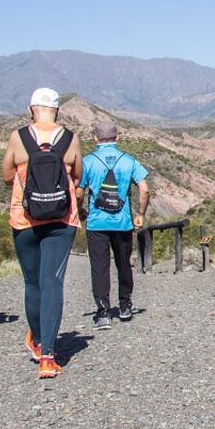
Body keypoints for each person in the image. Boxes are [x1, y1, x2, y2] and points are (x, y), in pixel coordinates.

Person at [2, 88, 82, 379]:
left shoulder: (18, 137)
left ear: (31, 108)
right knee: (53, 282)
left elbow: (7, 175)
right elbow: (77, 176)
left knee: (33, 283)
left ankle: (36, 340)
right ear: (57, 110)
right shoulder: (70, 139)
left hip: (24, 219)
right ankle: (49, 356)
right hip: (62, 219)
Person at [76, 120, 150, 330]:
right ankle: (125, 305)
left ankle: (103, 312)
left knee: (100, 267)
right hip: (123, 222)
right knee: (123, 263)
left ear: (94, 138)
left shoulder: (88, 162)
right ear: (117, 138)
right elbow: (144, 190)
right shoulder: (129, 161)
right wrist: (141, 214)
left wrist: (81, 210)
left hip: (97, 223)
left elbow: (79, 191)